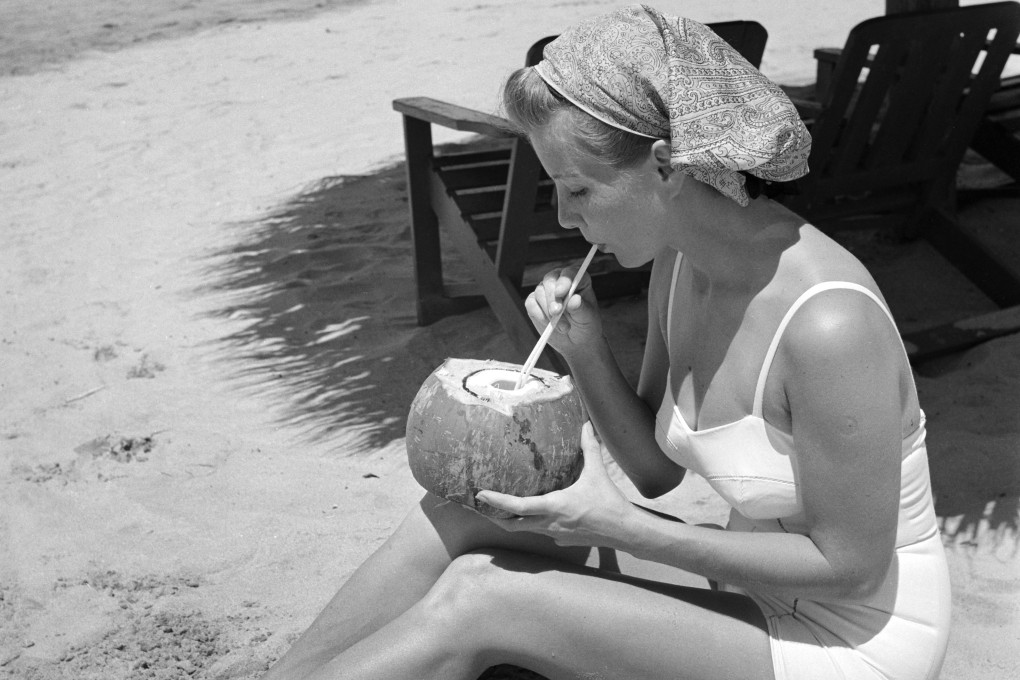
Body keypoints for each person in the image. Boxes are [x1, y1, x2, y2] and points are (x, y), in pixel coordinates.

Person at [262, 5, 951, 679]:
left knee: (483, 597)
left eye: (578, 189)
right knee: (466, 516)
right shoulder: (681, 265)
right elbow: (656, 469)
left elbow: (852, 570)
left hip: (854, 641)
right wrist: (583, 349)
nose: (564, 217)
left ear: (665, 167)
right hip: (763, 597)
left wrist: (619, 527)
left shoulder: (829, 324)